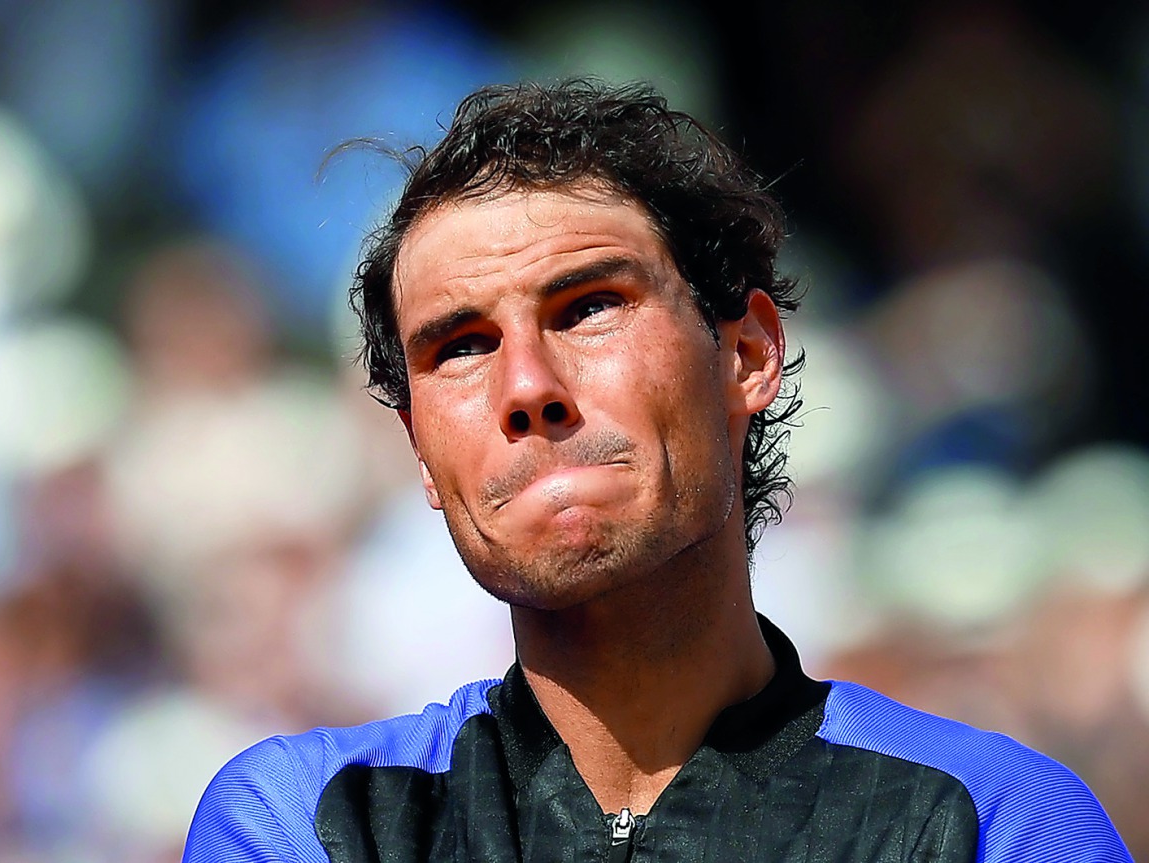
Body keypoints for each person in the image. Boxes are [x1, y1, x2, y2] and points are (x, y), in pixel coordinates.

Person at [181, 79, 1132, 863]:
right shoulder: (308, 823)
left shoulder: (992, 825)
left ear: (748, 354)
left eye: (589, 306)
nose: (527, 386)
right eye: (462, 346)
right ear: (419, 449)